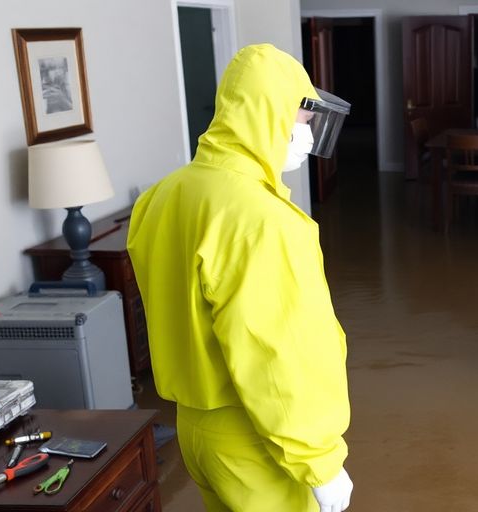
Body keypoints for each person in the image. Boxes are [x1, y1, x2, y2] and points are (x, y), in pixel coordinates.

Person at [127, 44, 353, 512]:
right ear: (267, 114)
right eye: (302, 121)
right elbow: (277, 352)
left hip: (195, 429)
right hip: (255, 438)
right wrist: (320, 461)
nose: (306, 136)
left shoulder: (163, 195)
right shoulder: (263, 219)